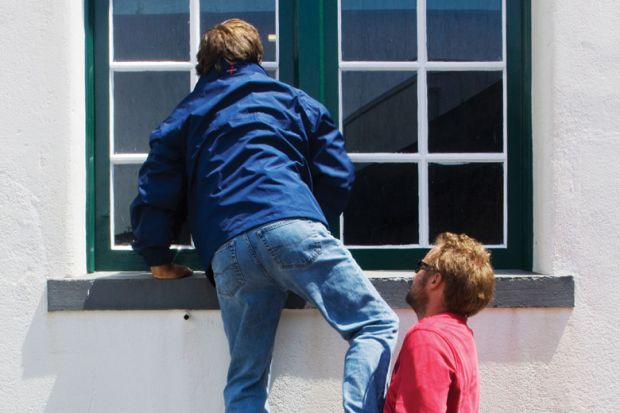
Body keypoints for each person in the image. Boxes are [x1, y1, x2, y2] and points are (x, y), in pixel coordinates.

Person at [130, 18, 399, 413]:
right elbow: (338, 174)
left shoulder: (186, 115)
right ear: (258, 56)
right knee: (374, 324)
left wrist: (156, 256)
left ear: (203, 64)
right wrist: (301, 222)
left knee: (245, 382)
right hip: (292, 227)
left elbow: (157, 185)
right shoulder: (292, 101)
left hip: (227, 251)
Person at [383, 233, 495, 413]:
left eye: (420, 266)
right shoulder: (460, 334)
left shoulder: (427, 337)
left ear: (435, 279)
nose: (415, 274)